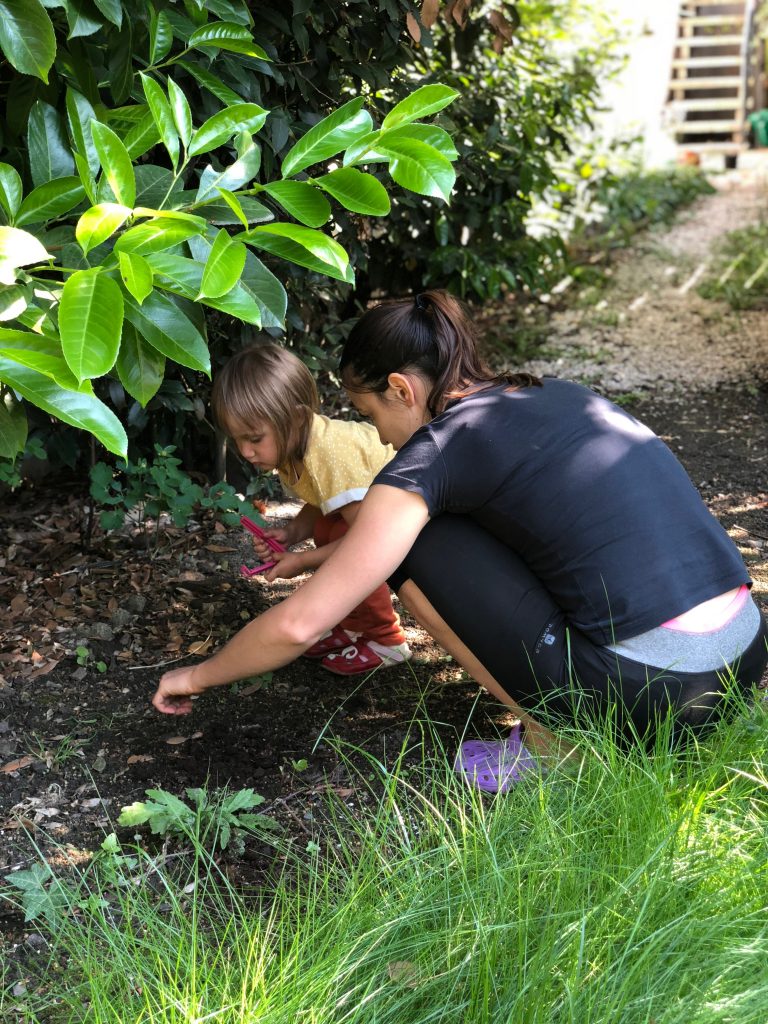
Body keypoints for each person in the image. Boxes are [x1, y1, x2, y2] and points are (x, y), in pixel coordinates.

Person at [153, 291, 767, 785]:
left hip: (653, 693)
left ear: (403, 389)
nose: (384, 441)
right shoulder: (552, 393)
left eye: (371, 416)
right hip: (740, 662)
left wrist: (196, 676)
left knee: (407, 540)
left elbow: (298, 625)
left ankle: (560, 747)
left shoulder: (432, 453)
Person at [210, 343, 411, 676]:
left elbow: (365, 543)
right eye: (237, 440)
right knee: (325, 529)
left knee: (344, 539)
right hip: (374, 511)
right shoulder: (296, 450)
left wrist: (300, 561)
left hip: (404, 511)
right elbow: (323, 501)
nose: (245, 451)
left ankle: (386, 638)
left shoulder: (326, 454)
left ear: (297, 417)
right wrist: (292, 533)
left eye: (255, 438)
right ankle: (353, 624)